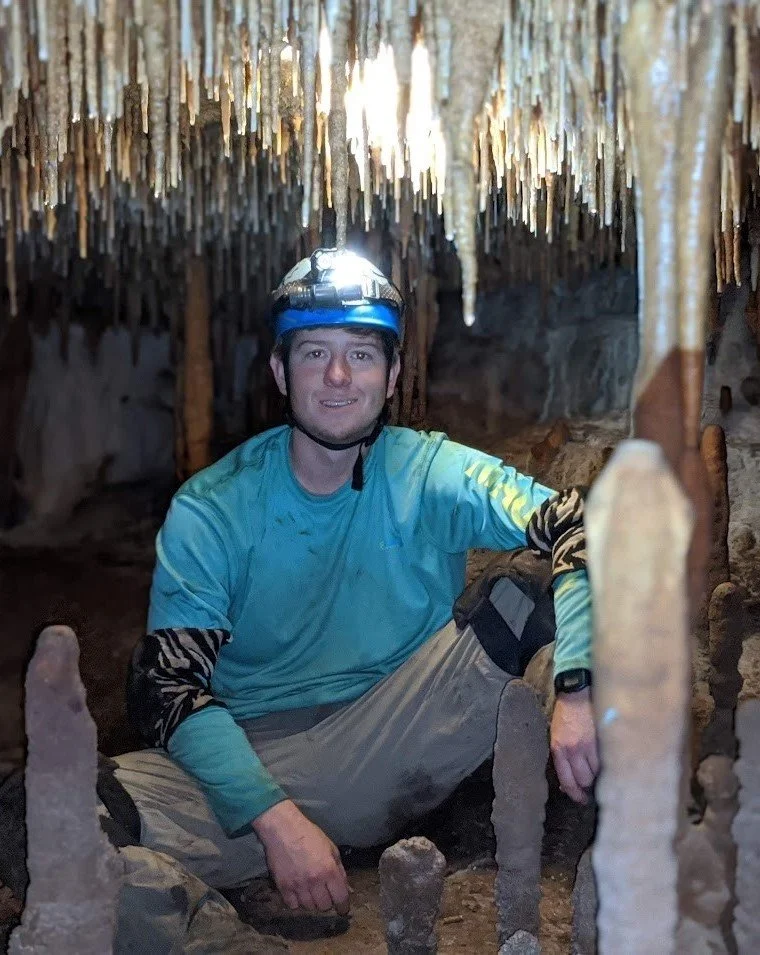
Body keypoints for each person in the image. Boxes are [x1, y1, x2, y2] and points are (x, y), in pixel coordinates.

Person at [111, 247, 598, 927]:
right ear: (280, 370)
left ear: (392, 374)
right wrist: (279, 823)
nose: (338, 376)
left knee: (531, 600)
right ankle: (243, 898)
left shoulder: (427, 471)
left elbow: (577, 523)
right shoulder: (212, 508)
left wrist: (576, 688)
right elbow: (167, 687)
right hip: (256, 752)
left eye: (361, 354)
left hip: (402, 723)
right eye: (314, 352)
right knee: (59, 810)